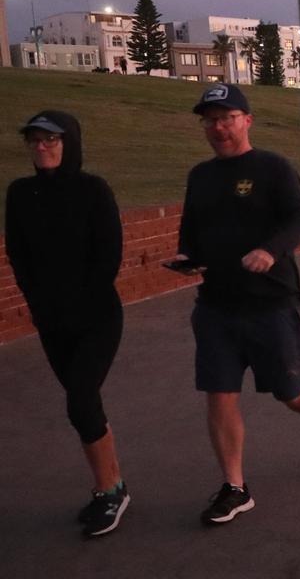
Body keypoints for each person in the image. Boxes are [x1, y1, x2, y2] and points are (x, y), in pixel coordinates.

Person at [176, 84, 300, 526]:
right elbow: (191, 229)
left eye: (228, 118)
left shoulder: (272, 168)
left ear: (247, 121)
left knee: (291, 390)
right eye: (211, 120)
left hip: (270, 303)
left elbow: (299, 218)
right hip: (216, 307)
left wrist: (270, 250)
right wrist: (188, 257)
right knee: (220, 394)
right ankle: (235, 487)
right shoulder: (200, 176)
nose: (219, 127)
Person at [6, 110, 130, 538]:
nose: (42, 147)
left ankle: (108, 492)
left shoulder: (93, 190)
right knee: (86, 406)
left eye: (51, 140)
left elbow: (109, 253)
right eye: (35, 140)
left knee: (79, 400)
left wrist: (83, 302)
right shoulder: (20, 193)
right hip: (52, 322)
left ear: (69, 143)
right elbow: (19, 255)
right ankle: (113, 486)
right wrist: (39, 305)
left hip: (97, 318)